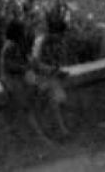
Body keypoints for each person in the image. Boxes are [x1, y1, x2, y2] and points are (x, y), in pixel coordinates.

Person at [0, 19, 51, 142]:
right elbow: (9, 65)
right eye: (22, 31)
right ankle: (39, 137)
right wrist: (24, 68)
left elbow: (32, 62)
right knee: (26, 108)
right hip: (11, 80)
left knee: (33, 101)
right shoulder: (10, 46)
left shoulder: (14, 45)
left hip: (17, 79)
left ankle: (37, 135)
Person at [30, 10, 70, 138]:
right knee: (53, 96)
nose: (62, 38)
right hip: (37, 77)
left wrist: (57, 71)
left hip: (50, 77)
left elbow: (57, 61)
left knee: (59, 98)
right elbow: (34, 64)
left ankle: (59, 129)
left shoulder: (58, 43)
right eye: (60, 35)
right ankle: (61, 130)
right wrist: (52, 70)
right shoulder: (40, 42)